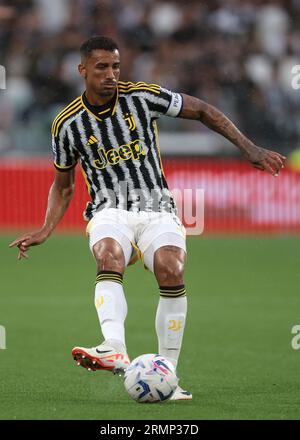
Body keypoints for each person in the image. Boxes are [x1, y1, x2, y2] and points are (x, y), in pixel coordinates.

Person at [10, 36, 286, 401]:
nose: (111, 75)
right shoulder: (67, 124)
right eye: (102, 68)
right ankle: (113, 346)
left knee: (171, 268)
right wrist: (46, 229)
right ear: (83, 71)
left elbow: (203, 110)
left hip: (157, 207)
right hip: (109, 209)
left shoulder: (143, 96)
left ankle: (168, 374)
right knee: (108, 254)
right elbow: (63, 186)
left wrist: (249, 149)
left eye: (116, 67)